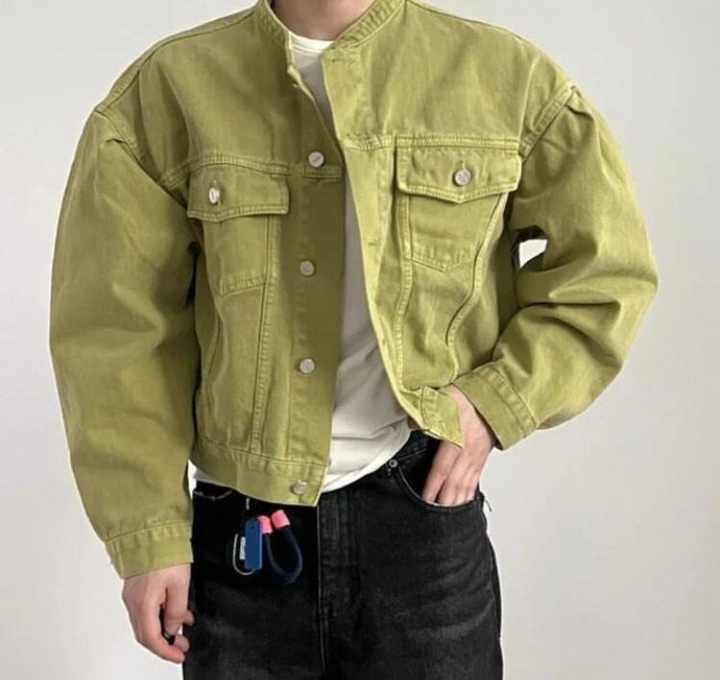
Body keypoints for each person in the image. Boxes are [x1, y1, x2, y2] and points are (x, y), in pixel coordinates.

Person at [48, 0, 659, 678]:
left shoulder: (505, 77)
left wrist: (495, 404)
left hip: (422, 519)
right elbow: (117, 331)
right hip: (241, 539)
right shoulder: (168, 88)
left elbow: (606, 271)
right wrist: (148, 533)